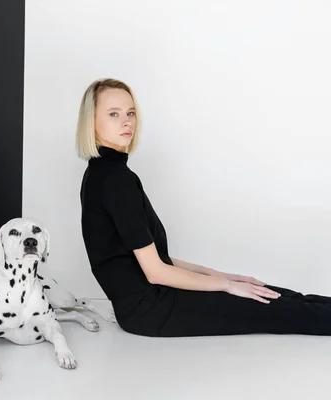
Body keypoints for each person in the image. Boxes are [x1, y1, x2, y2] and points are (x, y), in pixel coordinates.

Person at [77, 78, 331, 337]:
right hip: (151, 310)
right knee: (273, 307)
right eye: (113, 114)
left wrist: (221, 276)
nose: (126, 121)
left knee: (276, 295)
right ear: (92, 122)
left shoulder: (102, 173)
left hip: (147, 305)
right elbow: (155, 272)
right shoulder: (115, 179)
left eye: (130, 112)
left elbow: (154, 258)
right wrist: (224, 285)